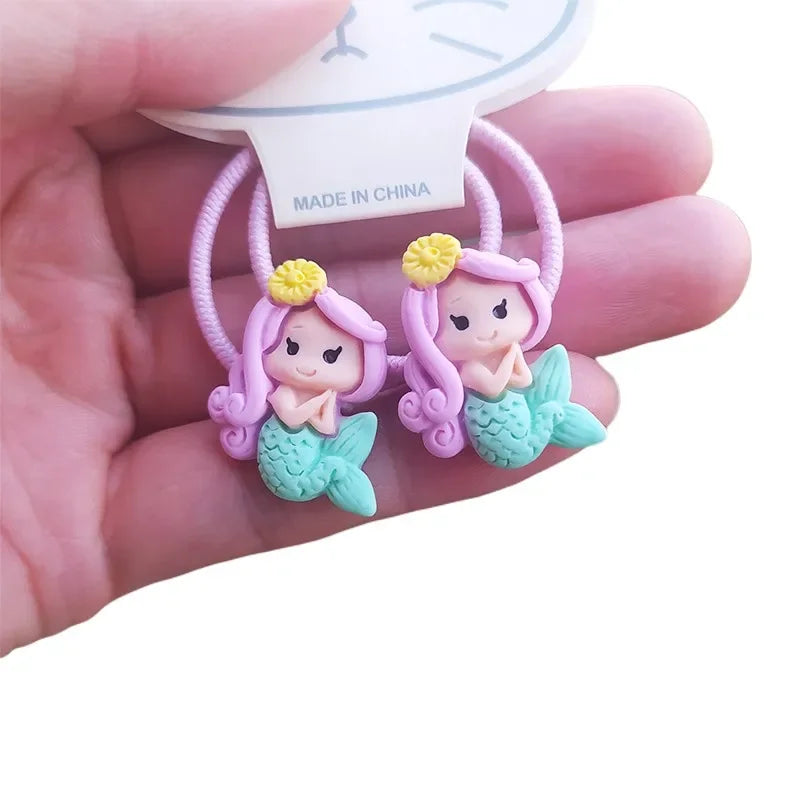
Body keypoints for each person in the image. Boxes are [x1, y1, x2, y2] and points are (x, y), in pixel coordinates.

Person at [0, 0, 751, 654]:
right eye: (300, 349)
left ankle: (545, 418)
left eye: (496, 313)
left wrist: (489, 375)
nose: (308, 365)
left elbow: (483, 366)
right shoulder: (283, 392)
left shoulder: (468, 367)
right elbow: (304, 401)